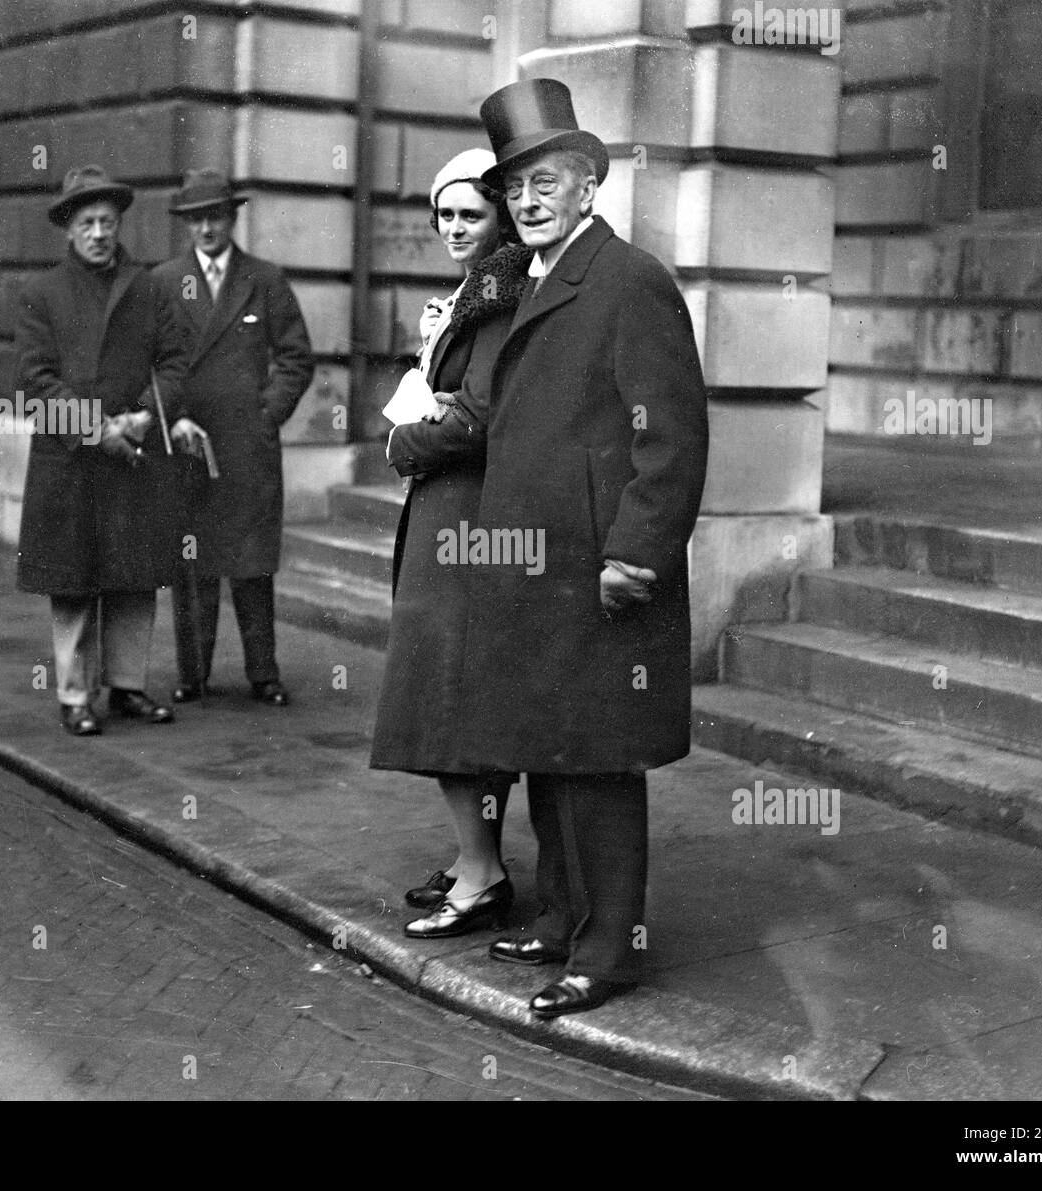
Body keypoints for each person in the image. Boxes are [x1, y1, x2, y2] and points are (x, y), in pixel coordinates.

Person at [463, 79, 710, 1016]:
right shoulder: (531, 278)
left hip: (600, 570)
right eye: (515, 187)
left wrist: (636, 554)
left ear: (589, 189)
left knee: (600, 763)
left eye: (546, 183)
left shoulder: (628, 279)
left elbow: (672, 438)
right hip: (534, 567)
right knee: (548, 747)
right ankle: (561, 917)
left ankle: (609, 952)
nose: (526, 201)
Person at [370, 149, 532, 939]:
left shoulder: (498, 298)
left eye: (471, 213)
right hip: (447, 516)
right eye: (445, 215)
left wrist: (405, 440)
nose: (456, 227)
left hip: (467, 520)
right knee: (450, 696)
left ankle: (483, 873)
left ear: (497, 217)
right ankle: (475, 857)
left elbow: (477, 418)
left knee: (448, 699)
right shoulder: (474, 294)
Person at [15, 164, 191, 737]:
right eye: (87, 222)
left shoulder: (150, 287)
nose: (98, 233)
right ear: (68, 230)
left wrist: (142, 416)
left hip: (134, 457)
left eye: (107, 222)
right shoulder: (42, 294)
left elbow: (175, 361)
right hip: (69, 462)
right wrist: (96, 429)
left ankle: (127, 687)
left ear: (119, 226)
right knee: (73, 581)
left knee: (132, 577)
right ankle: (73, 695)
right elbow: (35, 380)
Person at [154, 169, 315, 707]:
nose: (206, 228)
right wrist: (171, 419)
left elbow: (295, 356)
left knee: (252, 562)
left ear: (232, 218)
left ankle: (263, 673)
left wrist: (267, 414)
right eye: (196, 219)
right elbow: (149, 363)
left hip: (248, 445)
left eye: (215, 217)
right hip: (189, 442)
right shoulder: (163, 282)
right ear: (186, 225)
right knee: (192, 561)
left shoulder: (264, 279)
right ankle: (192, 674)